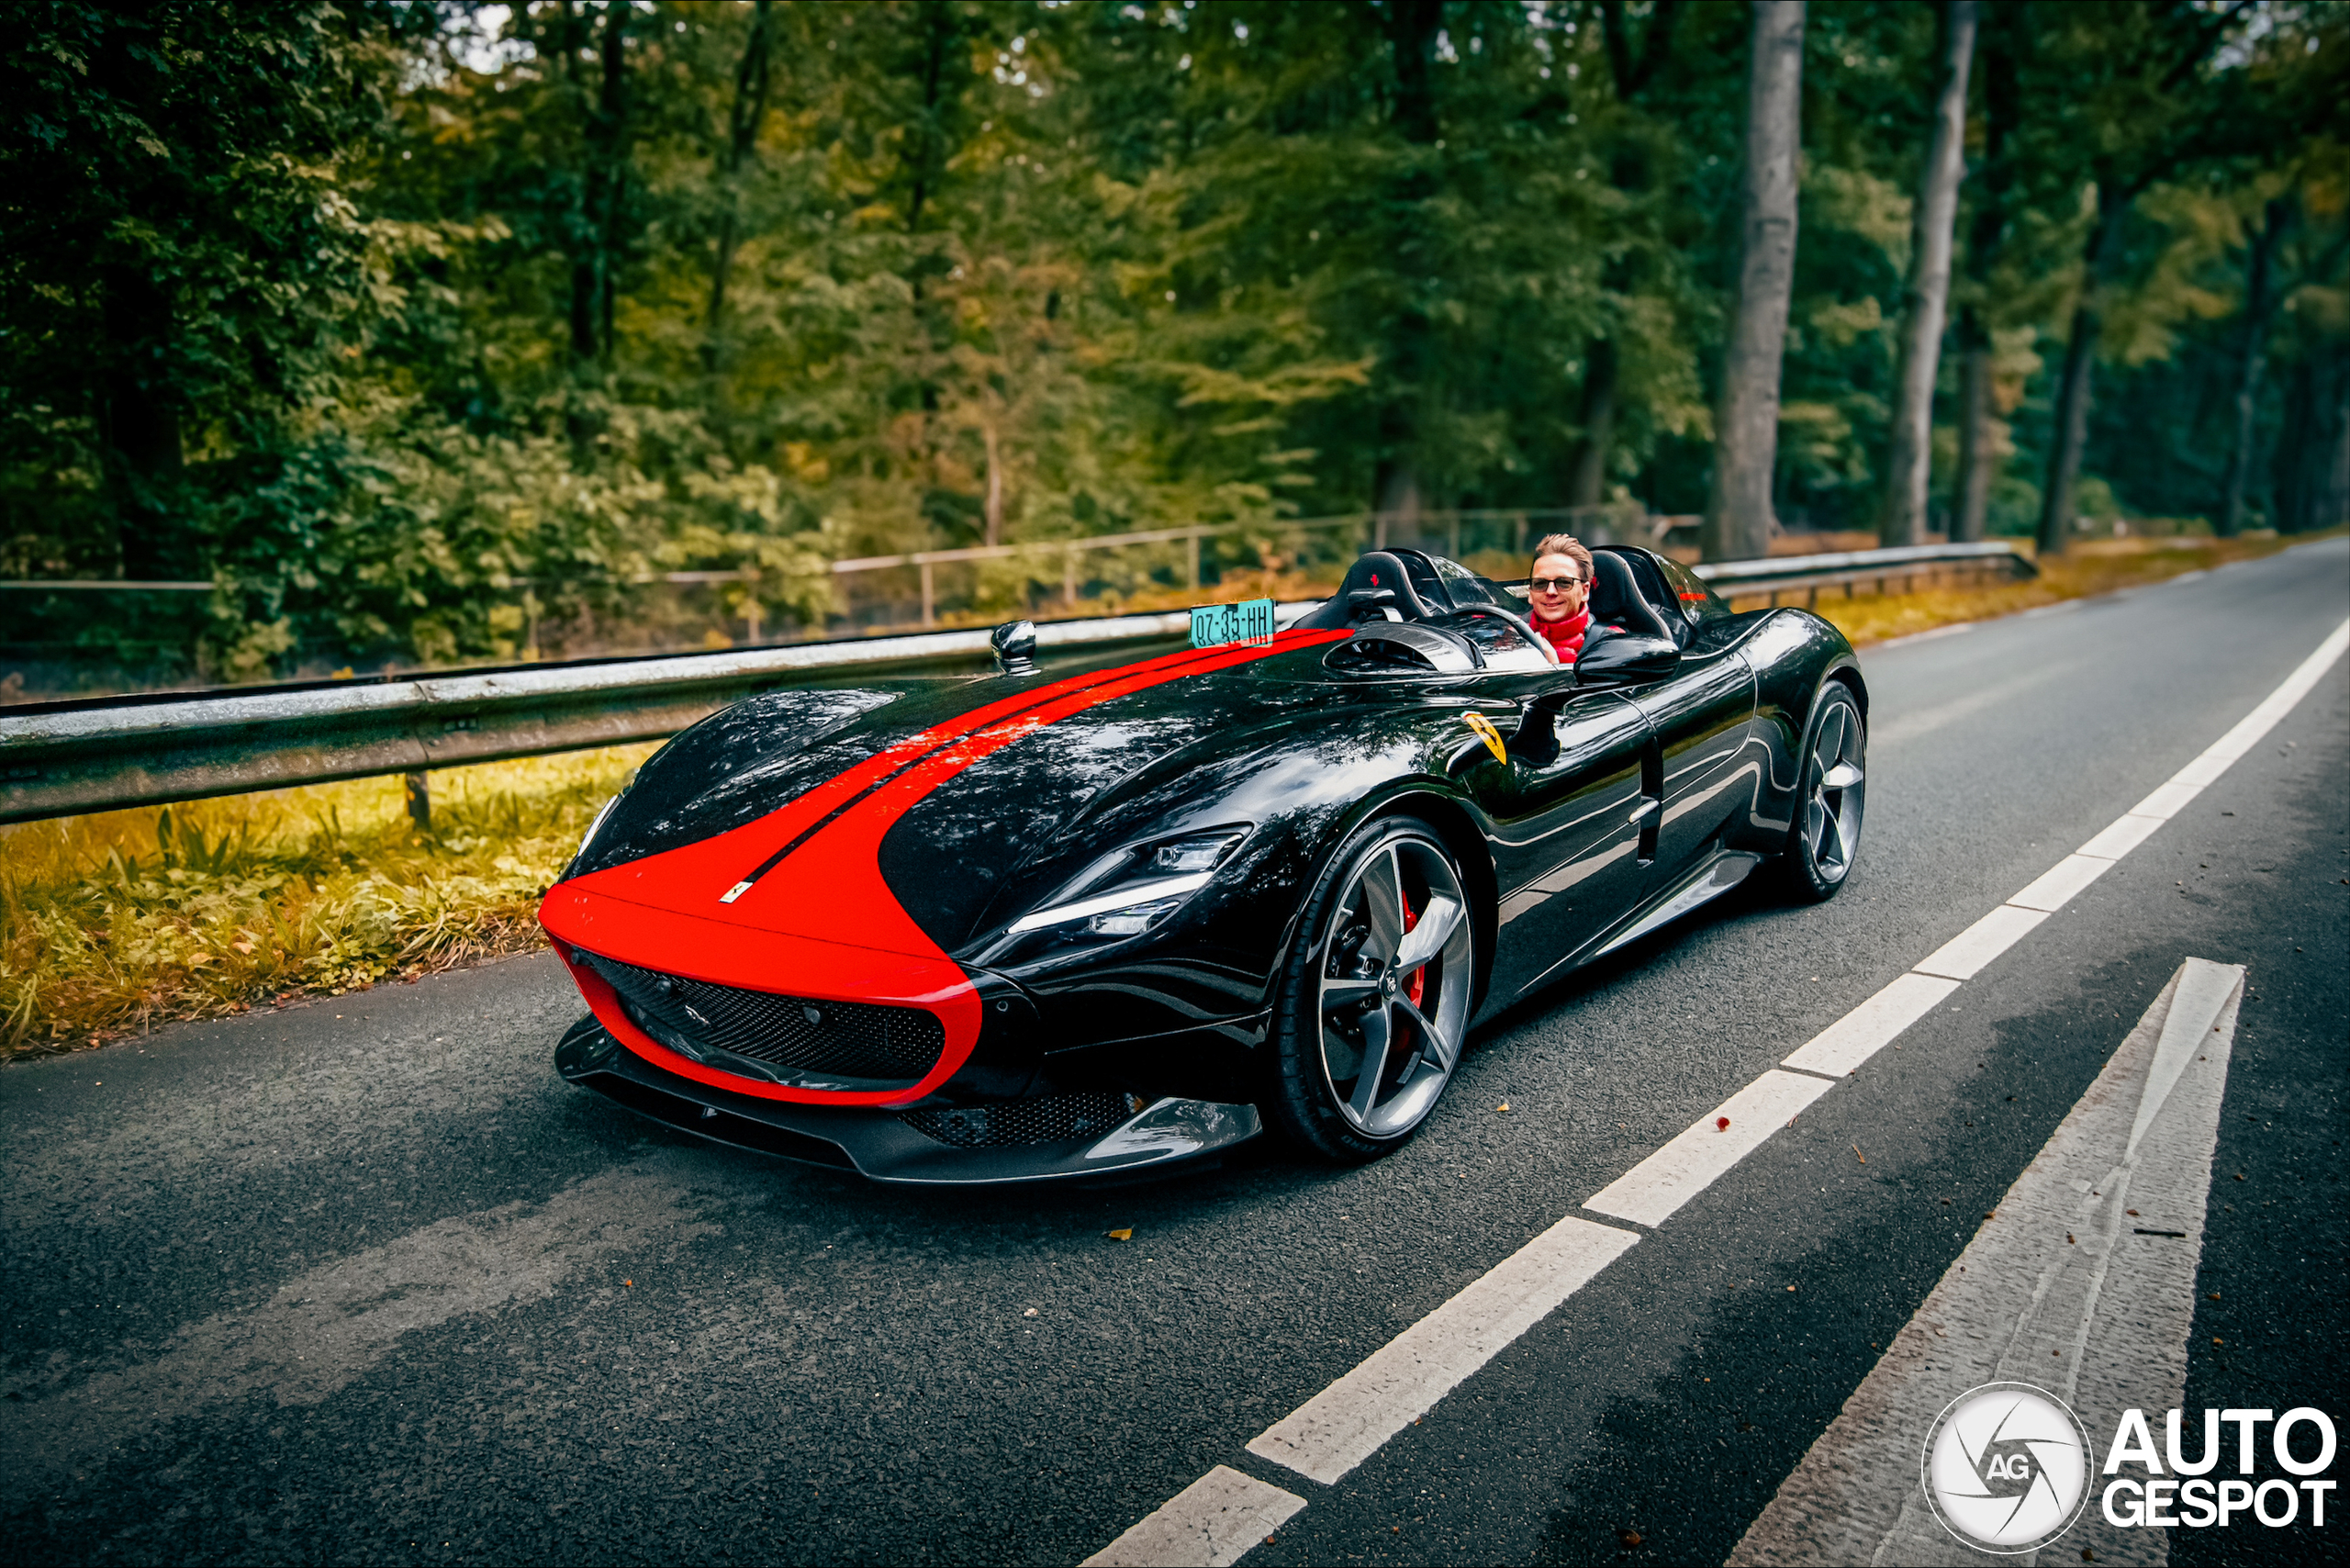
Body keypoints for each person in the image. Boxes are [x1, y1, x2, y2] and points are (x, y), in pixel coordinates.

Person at [1524, 533, 1613, 664]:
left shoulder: (1608, 644)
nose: (1550, 591)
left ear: (1585, 591)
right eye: (1540, 583)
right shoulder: (1507, 635)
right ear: (1530, 593)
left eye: (1564, 583)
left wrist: (1553, 671)